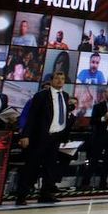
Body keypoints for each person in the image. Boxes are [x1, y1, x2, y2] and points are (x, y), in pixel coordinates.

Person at [15, 71, 70, 205]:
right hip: (40, 137)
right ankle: (22, 195)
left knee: (50, 167)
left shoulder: (65, 96)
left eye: (62, 78)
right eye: (57, 78)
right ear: (51, 80)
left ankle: (45, 194)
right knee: (32, 166)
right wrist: (26, 135)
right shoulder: (41, 95)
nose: (60, 81)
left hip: (56, 137)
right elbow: (32, 117)